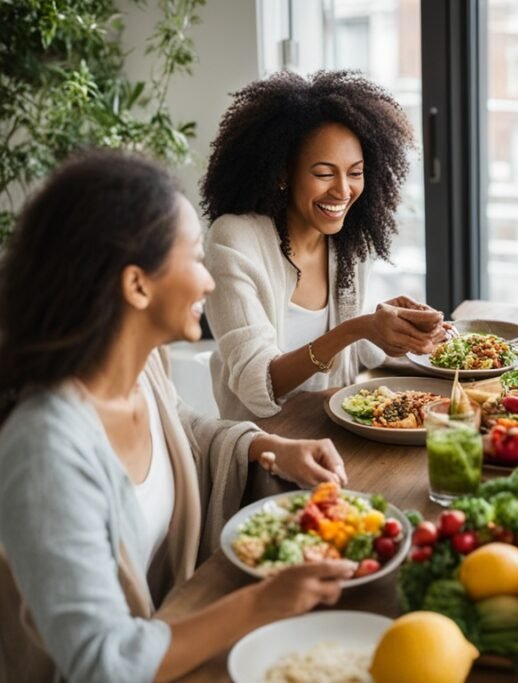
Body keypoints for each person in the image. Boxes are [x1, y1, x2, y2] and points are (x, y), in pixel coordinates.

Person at [0, 152, 356, 683]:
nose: (209, 281)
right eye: (192, 257)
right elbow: (103, 663)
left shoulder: (140, 370)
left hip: (179, 624)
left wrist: (267, 446)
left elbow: (182, 427)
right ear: (137, 285)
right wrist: (263, 602)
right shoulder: (45, 450)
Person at [201, 70, 446, 420]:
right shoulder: (235, 241)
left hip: (338, 431)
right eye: (324, 173)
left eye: (356, 172)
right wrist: (358, 327)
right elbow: (258, 384)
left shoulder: (348, 240)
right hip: (264, 446)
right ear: (283, 173)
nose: (343, 190)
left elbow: (361, 351)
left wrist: (409, 331)